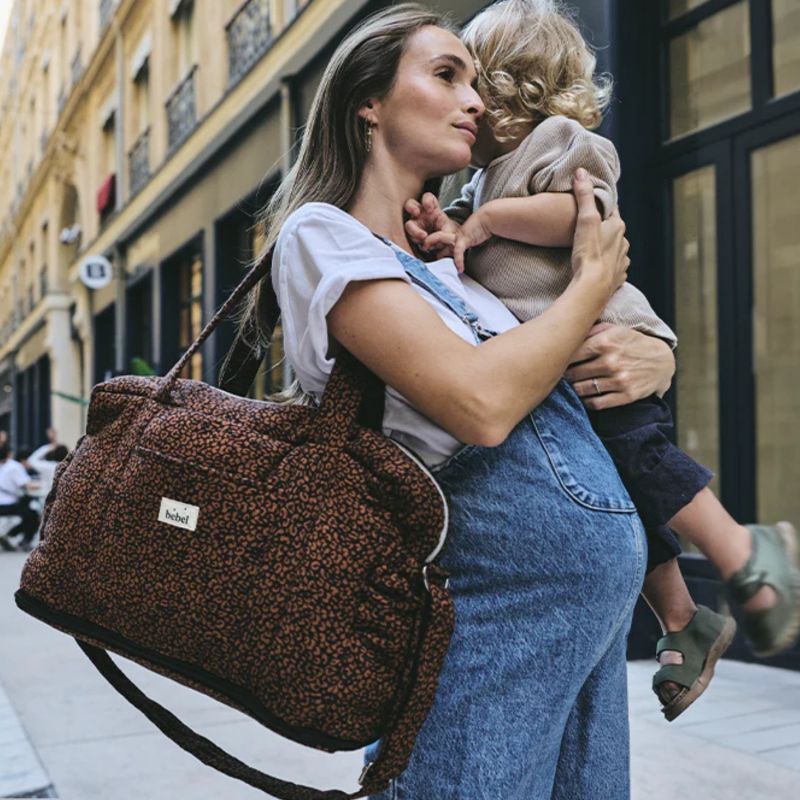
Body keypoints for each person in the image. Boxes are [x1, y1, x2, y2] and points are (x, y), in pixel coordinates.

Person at [240, 5, 674, 797]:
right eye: (447, 75)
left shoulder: (451, 258)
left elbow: (560, 361)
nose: (475, 100)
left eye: (477, 80)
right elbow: (480, 403)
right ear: (367, 100)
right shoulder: (322, 235)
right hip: (485, 627)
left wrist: (647, 355)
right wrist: (593, 283)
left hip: (579, 631)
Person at [403, 0, 800, 722]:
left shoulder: (561, 142)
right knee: (627, 504)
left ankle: (745, 551)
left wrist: (485, 221)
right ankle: (684, 617)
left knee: (644, 462)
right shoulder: (481, 181)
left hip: (604, 343)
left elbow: (585, 219)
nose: (463, 103)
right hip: (560, 376)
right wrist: (449, 230)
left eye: (471, 86)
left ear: (506, 87)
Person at [0, 443, 41, 552]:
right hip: (9, 504)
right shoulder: (13, 466)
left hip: (3, 505)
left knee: (27, 513)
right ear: (9, 454)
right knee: (33, 516)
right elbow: (27, 485)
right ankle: (24, 540)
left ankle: (8, 535)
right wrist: (42, 484)